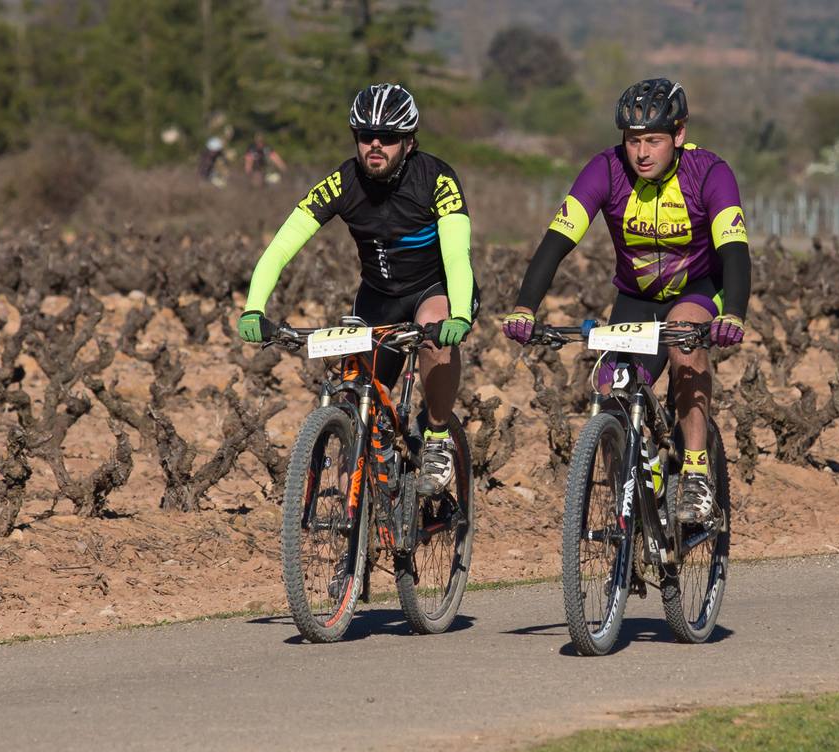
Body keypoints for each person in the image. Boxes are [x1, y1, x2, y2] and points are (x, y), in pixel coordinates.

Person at [504, 77, 751, 524]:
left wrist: (733, 312)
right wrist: (526, 306)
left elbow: (734, 250)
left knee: (684, 342)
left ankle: (695, 472)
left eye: (653, 141)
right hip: (636, 297)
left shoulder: (711, 173)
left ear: (678, 135)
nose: (641, 153)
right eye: (633, 140)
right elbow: (557, 241)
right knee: (611, 389)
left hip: (697, 288)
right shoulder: (605, 169)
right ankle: (632, 504)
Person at [237, 83, 476, 495]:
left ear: (410, 141)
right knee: (355, 412)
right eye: (366, 136)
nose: (376, 145)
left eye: (388, 137)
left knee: (435, 332)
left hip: (433, 289)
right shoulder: (342, 183)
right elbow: (279, 248)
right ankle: (357, 532)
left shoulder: (436, 179)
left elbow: (457, 255)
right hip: (378, 296)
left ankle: (436, 437)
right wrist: (253, 307)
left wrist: (459, 316)